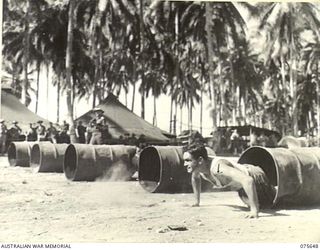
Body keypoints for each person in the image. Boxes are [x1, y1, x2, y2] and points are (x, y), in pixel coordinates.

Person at [183, 143, 275, 218]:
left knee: (275, 203)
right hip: (243, 189)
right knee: (263, 205)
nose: (184, 164)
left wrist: (254, 210)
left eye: (188, 160)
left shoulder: (218, 168)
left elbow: (248, 181)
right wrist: (197, 201)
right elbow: (195, 178)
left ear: (200, 160)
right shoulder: (198, 168)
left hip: (256, 177)